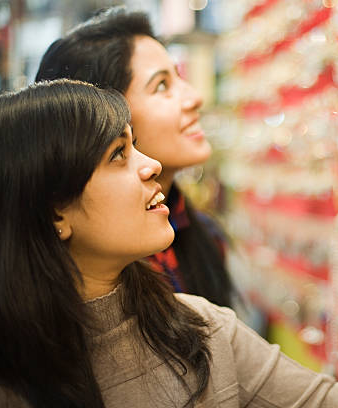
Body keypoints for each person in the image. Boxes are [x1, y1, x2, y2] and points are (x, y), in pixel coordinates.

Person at [0, 79, 338, 407]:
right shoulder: (7, 379)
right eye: (118, 156)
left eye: (136, 146)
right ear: (55, 211)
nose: (150, 166)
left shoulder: (199, 330)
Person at [35, 7, 235, 307]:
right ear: (102, 114)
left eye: (179, 77)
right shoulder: (86, 279)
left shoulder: (202, 235)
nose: (195, 98)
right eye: (162, 86)